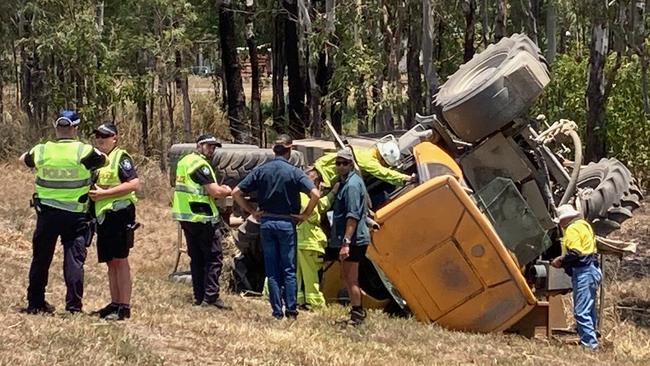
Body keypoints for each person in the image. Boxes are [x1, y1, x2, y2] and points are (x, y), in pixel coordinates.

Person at [20, 109, 107, 314]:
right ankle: (73, 307)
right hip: (75, 215)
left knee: (41, 259)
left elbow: (22, 159)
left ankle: (35, 303)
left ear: (56, 127)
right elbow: (104, 160)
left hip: (47, 214)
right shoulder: (83, 151)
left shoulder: (42, 150)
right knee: (74, 261)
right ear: (75, 128)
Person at [232, 134, 320, 319]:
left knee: (272, 270)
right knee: (288, 268)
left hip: (267, 222)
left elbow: (236, 192)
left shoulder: (262, 170)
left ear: (274, 150)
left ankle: (276, 311)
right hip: (287, 223)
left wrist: (252, 211)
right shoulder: (294, 172)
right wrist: (305, 215)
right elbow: (315, 194)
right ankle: (291, 309)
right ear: (290, 150)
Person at [172, 134, 233, 309]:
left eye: (214, 147)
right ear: (199, 146)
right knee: (213, 257)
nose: (212, 149)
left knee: (196, 257)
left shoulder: (184, 161)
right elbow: (215, 192)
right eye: (209, 146)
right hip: (202, 217)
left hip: (186, 216)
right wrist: (226, 190)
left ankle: (199, 296)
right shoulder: (200, 165)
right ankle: (211, 297)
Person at [89, 122, 139, 321]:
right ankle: (114, 302)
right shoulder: (97, 159)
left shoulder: (121, 157)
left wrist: (104, 194)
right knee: (110, 262)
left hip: (120, 214)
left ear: (115, 138)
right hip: (104, 216)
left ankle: (124, 307)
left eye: (105, 136)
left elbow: (134, 184)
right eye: (98, 136)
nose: (101, 139)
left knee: (120, 260)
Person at [329, 148, 370, 326]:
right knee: (345, 277)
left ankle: (357, 313)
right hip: (349, 239)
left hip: (353, 240)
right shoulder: (345, 182)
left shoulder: (352, 185)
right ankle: (356, 310)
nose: (340, 166)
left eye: (344, 163)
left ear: (351, 164)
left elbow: (352, 216)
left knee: (350, 278)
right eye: (338, 163)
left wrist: (346, 242)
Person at [551, 204, 602, 349]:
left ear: (564, 219)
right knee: (589, 308)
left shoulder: (572, 229)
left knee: (581, 311)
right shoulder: (584, 226)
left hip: (584, 272)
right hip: (593, 270)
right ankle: (592, 339)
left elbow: (575, 252)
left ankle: (589, 345)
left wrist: (560, 261)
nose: (559, 224)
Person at [296, 169, 338, 310]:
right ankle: (315, 303)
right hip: (309, 242)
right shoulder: (306, 199)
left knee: (297, 275)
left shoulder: (299, 196)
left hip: (299, 242)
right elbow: (316, 210)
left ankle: (299, 300)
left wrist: (332, 193)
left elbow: (321, 204)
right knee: (311, 277)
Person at [313, 139, 414, 189]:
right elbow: (383, 173)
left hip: (322, 167)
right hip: (323, 174)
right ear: (383, 159)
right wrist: (406, 178)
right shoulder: (369, 161)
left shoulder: (366, 153)